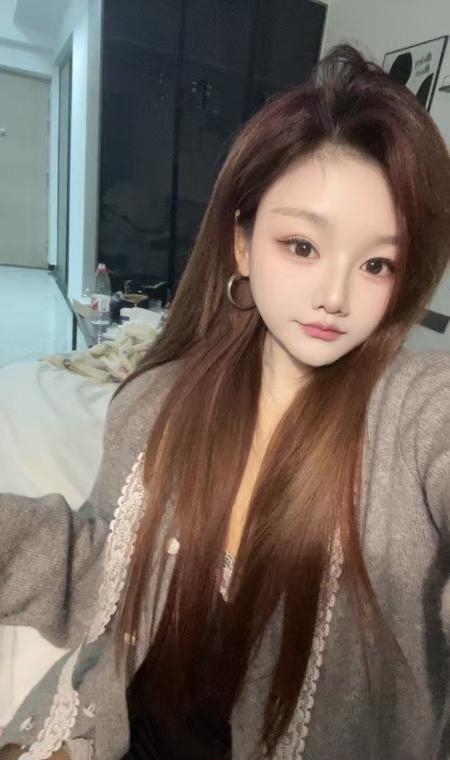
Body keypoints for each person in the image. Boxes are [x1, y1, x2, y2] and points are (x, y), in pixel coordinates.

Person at [1, 43, 450, 760]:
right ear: (242, 244)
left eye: (377, 263)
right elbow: (107, 573)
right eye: (302, 246)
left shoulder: (413, 412)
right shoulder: (157, 400)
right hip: (113, 730)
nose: (335, 296)